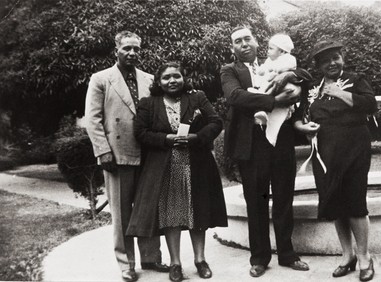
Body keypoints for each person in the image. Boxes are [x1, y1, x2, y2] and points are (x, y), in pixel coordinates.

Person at [220, 26, 311, 278]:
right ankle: (259, 258)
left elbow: (304, 74)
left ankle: (287, 254)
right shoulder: (230, 71)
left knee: (284, 197)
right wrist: (275, 102)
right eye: (237, 41)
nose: (244, 44)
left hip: (281, 140)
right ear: (233, 49)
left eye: (247, 38)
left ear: (257, 42)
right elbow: (236, 97)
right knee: (256, 202)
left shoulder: (277, 60)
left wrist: (287, 78)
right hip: (251, 144)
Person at [126, 61, 227, 282]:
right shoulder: (148, 104)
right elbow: (140, 132)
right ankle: (175, 263)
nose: (172, 81)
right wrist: (165, 139)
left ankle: (200, 260)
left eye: (176, 76)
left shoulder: (197, 98)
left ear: (183, 78)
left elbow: (216, 122)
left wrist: (197, 138)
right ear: (159, 82)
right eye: (166, 77)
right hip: (165, 167)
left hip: (196, 163)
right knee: (172, 215)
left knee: (198, 213)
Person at [85, 31, 169, 282]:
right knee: (121, 214)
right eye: (126, 49)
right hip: (117, 154)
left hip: (149, 153)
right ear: (117, 50)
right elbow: (93, 119)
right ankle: (126, 264)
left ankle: (152, 258)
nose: (132, 53)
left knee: (150, 208)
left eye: (136, 49)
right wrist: (103, 151)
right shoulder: (101, 79)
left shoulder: (150, 79)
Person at [294, 39, 378, 281]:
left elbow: (370, 105)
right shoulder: (311, 88)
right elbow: (297, 118)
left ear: (343, 58)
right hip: (325, 153)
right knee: (334, 203)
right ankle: (347, 256)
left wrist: (340, 93)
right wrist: (304, 127)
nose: (332, 63)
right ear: (319, 65)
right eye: (325, 60)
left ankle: (364, 257)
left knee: (355, 202)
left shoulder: (356, 79)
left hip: (354, 149)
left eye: (335, 58)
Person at [251, 33, 301, 146]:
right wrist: (262, 71)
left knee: (268, 88)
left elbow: (284, 68)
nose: (267, 51)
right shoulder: (269, 60)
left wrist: (273, 71)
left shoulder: (288, 58)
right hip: (274, 86)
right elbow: (264, 68)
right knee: (263, 87)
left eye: (271, 48)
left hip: (284, 87)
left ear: (282, 51)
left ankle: (264, 106)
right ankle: (264, 109)